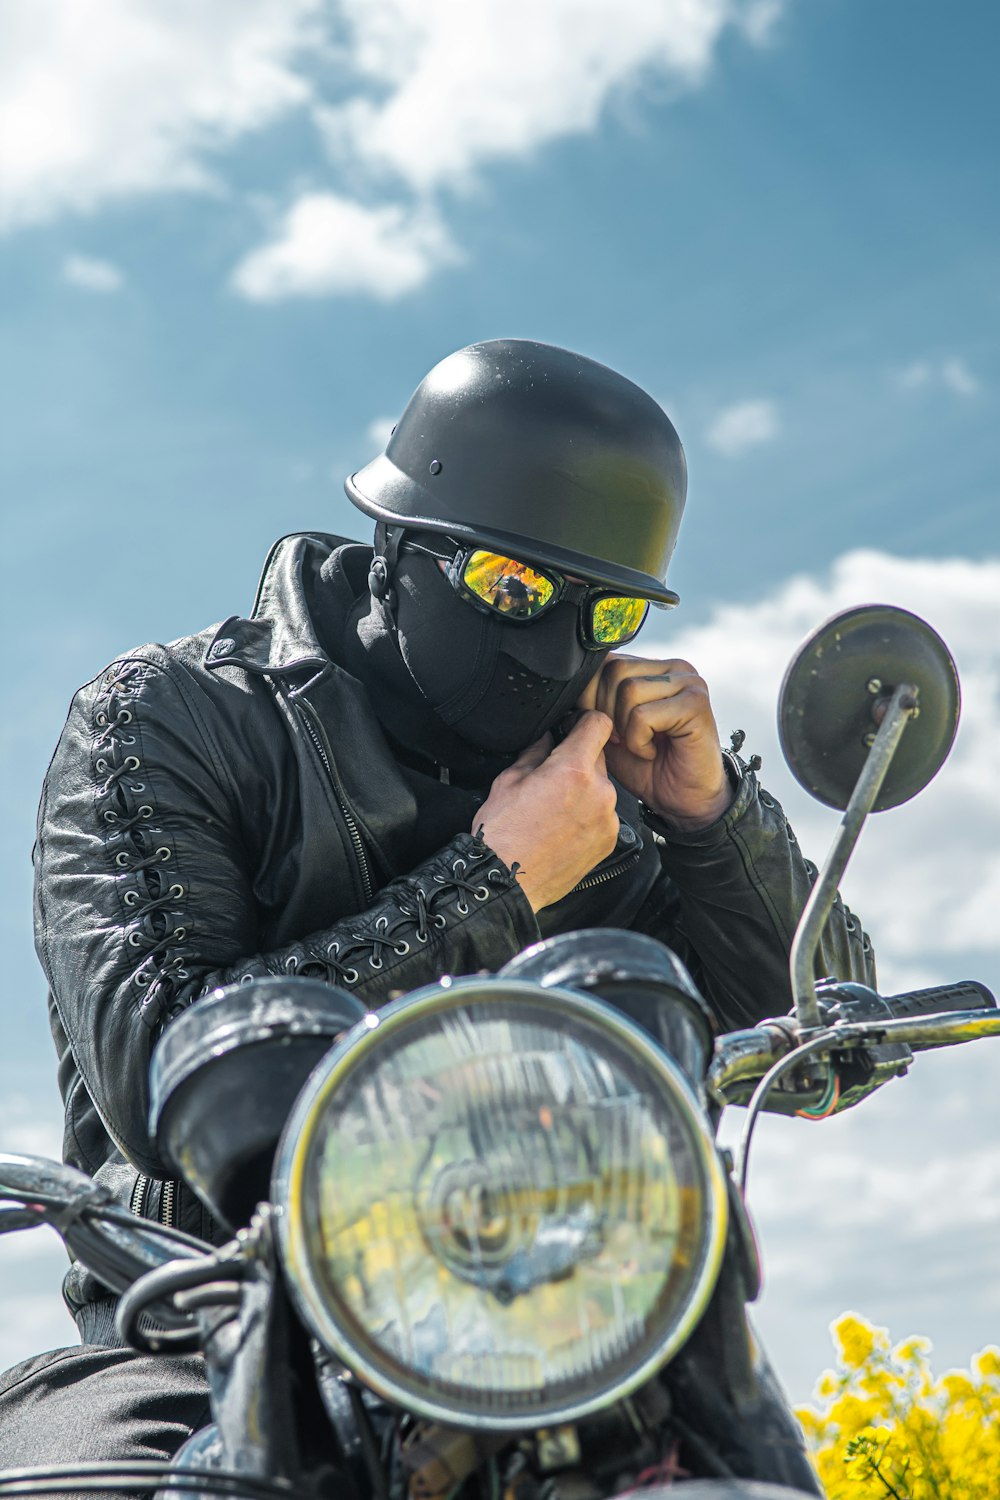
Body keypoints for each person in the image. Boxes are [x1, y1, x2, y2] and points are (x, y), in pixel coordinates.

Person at [1, 338, 874, 1462]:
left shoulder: (607, 788)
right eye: (513, 587)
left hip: (553, 1313)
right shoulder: (169, 716)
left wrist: (713, 819)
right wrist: (500, 881)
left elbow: (823, 1042)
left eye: (605, 615)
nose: (555, 646)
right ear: (396, 550)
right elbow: (165, 1072)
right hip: (210, 1319)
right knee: (99, 1481)